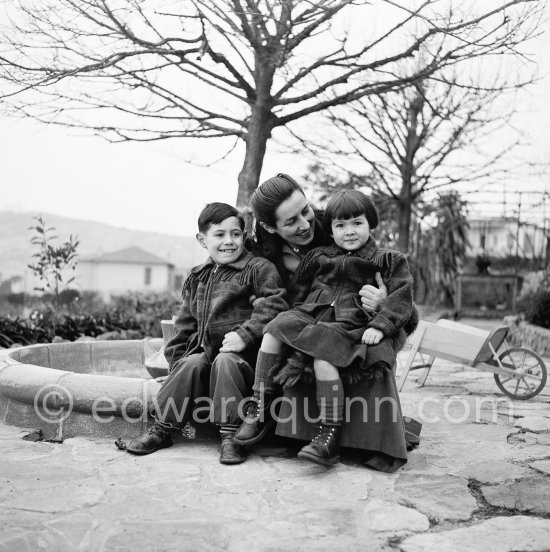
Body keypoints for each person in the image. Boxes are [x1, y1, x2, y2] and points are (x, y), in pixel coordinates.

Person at [243, 173, 420, 472]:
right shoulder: (263, 252)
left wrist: (381, 307)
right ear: (270, 227)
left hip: (354, 317)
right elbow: (259, 286)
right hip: (308, 314)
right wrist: (259, 301)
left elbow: (404, 300)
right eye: (291, 221)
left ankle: (345, 435)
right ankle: (260, 408)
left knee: (333, 352)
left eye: (305, 210)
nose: (304, 224)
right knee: (274, 329)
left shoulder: (340, 222)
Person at [126, 202, 287, 464]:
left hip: (245, 363)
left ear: (243, 236)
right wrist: (176, 367)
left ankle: (231, 435)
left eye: (235, 234)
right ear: (203, 240)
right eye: (219, 235)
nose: (229, 242)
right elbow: (184, 325)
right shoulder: (198, 276)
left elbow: (276, 304)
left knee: (225, 360)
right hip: (205, 361)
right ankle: (163, 428)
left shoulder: (258, 269)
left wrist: (246, 334)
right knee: (190, 362)